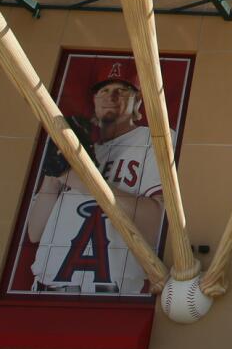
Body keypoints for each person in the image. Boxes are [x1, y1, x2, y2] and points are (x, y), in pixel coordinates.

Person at [27, 62, 170, 294]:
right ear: (94, 102)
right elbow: (35, 232)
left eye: (122, 91)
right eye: (103, 90)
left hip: (112, 292)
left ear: (138, 104)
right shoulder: (81, 150)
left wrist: (76, 178)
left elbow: (158, 223)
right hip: (46, 289)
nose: (111, 96)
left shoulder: (152, 139)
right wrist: (54, 174)